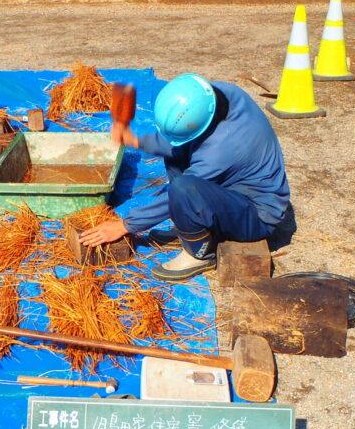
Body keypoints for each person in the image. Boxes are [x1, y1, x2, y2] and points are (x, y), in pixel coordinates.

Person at [79, 73, 290, 282]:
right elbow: (177, 141)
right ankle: (192, 229)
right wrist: (134, 139)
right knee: (177, 155)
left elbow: (176, 194)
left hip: (256, 216)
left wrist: (125, 225)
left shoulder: (221, 150)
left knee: (183, 188)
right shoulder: (218, 95)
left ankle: (199, 253)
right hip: (231, 192)